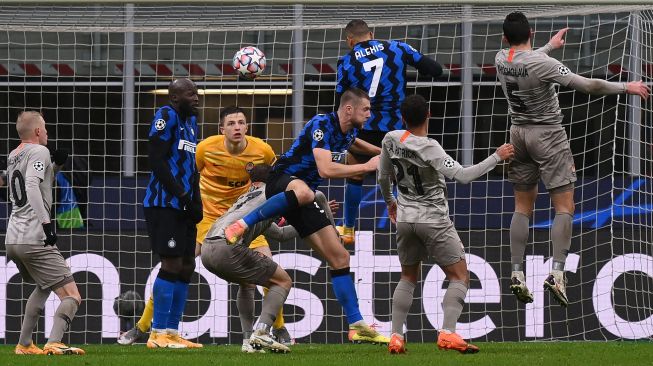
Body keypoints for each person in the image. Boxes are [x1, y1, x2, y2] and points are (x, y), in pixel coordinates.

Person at [496, 12, 650, 306]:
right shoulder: (543, 64)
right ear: (531, 32)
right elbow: (589, 85)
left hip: (517, 133)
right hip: (548, 134)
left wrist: (550, 46)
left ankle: (516, 272)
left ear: (505, 38)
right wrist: (625, 87)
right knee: (564, 206)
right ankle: (557, 273)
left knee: (522, 207)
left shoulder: (501, 57)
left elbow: (526, 60)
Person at [225, 88, 389, 344]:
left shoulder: (350, 130)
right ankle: (242, 223)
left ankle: (356, 325)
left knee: (340, 257)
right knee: (304, 192)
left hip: (302, 195)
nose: (369, 114)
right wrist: (367, 165)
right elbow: (325, 169)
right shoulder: (321, 124)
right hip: (281, 180)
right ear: (349, 109)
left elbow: (353, 144)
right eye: (365, 109)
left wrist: (382, 152)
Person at [119, 106, 292, 348]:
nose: (237, 127)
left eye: (241, 122)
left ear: (247, 127)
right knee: (175, 266)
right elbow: (189, 173)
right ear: (222, 129)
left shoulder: (261, 150)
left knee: (268, 266)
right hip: (208, 219)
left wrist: (279, 209)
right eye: (231, 123)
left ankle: (278, 327)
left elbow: (277, 177)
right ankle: (143, 326)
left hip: (242, 218)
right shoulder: (205, 148)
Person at [378, 95, 514, 354]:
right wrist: (496, 157)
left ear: (403, 118)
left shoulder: (391, 139)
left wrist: (390, 202)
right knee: (459, 276)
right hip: (434, 220)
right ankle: (447, 333)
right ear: (429, 114)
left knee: (407, 276)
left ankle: (395, 336)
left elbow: (383, 176)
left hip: (406, 219)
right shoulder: (431, 148)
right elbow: (463, 176)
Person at [201, 164, 338, 353]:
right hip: (228, 249)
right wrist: (325, 222)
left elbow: (280, 234)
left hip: (207, 249)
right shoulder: (276, 194)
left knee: (246, 284)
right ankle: (263, 331)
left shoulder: (246, 197)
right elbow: (318, 197)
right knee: (283, 281)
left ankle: (248, 342)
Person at [336, 19, 443, 245]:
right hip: (396, 127)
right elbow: (435, 70)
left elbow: (342, 102)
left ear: (349, 41)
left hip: (364, 127)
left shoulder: (346, 62)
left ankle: (348, 229)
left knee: (354, 173)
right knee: (402, 177)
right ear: (372, 34)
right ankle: (415, 226)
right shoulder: (397, 47)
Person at [6, 111, 84, 355]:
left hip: (13, 237)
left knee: (44, 285)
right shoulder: (39, 151)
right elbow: (31, 185)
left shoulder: (13, 155)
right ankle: (54, 341)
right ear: (38, 132)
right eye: (46, 128)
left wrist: (56, 166)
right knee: (72, 295)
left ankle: (25, 344)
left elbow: (38, 181)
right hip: (34, 235)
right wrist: (47, 224)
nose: (48, 132)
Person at [142, 78, 203, 349]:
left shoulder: (192, 124)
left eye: (197, 93)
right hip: (164, 204)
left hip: (184, 204)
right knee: (171, 264)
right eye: (191, 94)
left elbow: (192, 167)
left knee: (187, 265)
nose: (197, 98)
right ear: (176, 98)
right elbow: (155, 159)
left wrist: (196, 200)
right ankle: (157, 334)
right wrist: (180, 195)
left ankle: (172, 331)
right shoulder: (166, 115)